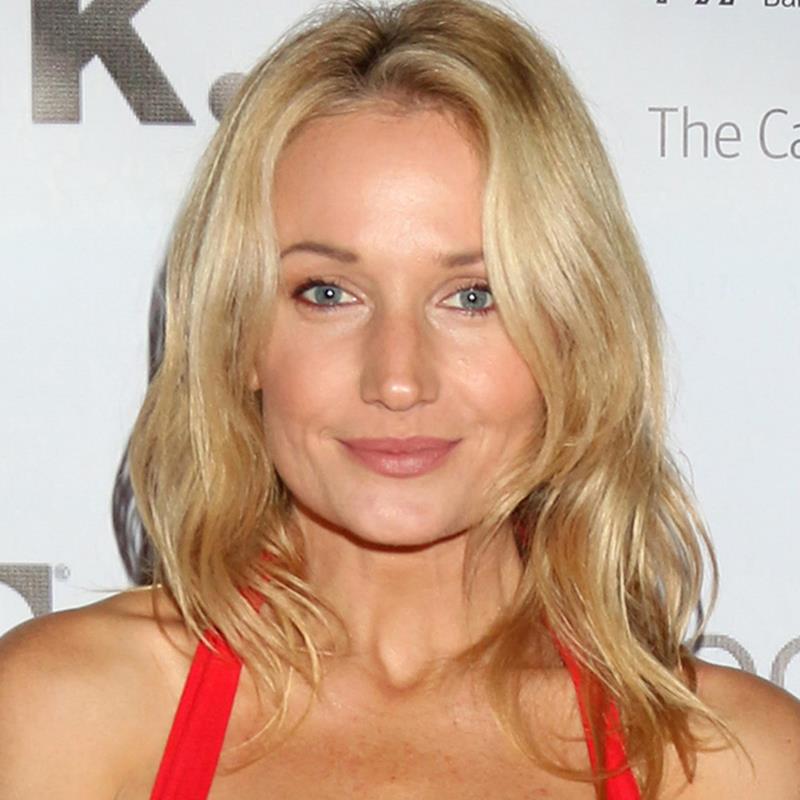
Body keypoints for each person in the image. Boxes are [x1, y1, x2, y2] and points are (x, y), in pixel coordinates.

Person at [1, 0, 798, 797]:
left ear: (571, 338)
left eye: (474, 297)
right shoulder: (61, 712)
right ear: (239, 337)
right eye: (328, 293)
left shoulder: (734, 763)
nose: (397, 380)